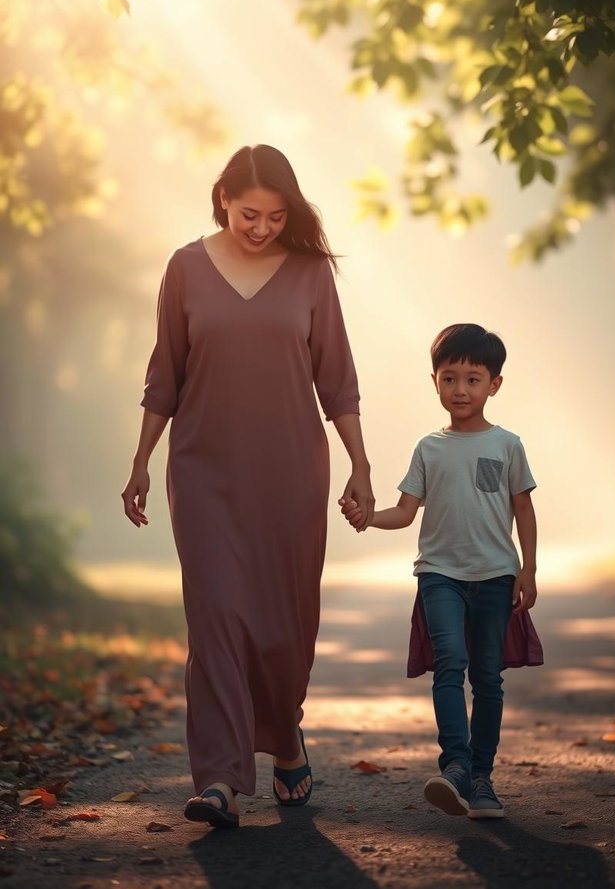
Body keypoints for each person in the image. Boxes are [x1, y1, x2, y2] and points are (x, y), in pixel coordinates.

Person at [122, 144, 374, 829]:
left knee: (283, 627)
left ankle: (284, 732)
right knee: (218, 618)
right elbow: (164, 376)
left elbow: (338, 380)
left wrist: (361, 464)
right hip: (203, 470)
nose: (261, 227)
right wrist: (142, 460)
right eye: (248, 213)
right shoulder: (185, 268)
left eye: (275, 215)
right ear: (222, 198)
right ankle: (222, 779)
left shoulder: (311, 272)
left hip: (292, 471)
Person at [340, 323, 540, 820]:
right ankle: (454, 765)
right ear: (434, 381)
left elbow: (523, 510)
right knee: (450, 662)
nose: (460, 390)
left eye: (473, 379)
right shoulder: (428, 448)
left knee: (487, 678)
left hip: (496, 575)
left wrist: (528, 569)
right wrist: (368, 518)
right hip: (439, 574)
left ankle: (481, 778)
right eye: (449, 378)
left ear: (494, 383)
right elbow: (405, 512)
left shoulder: (507, 444)